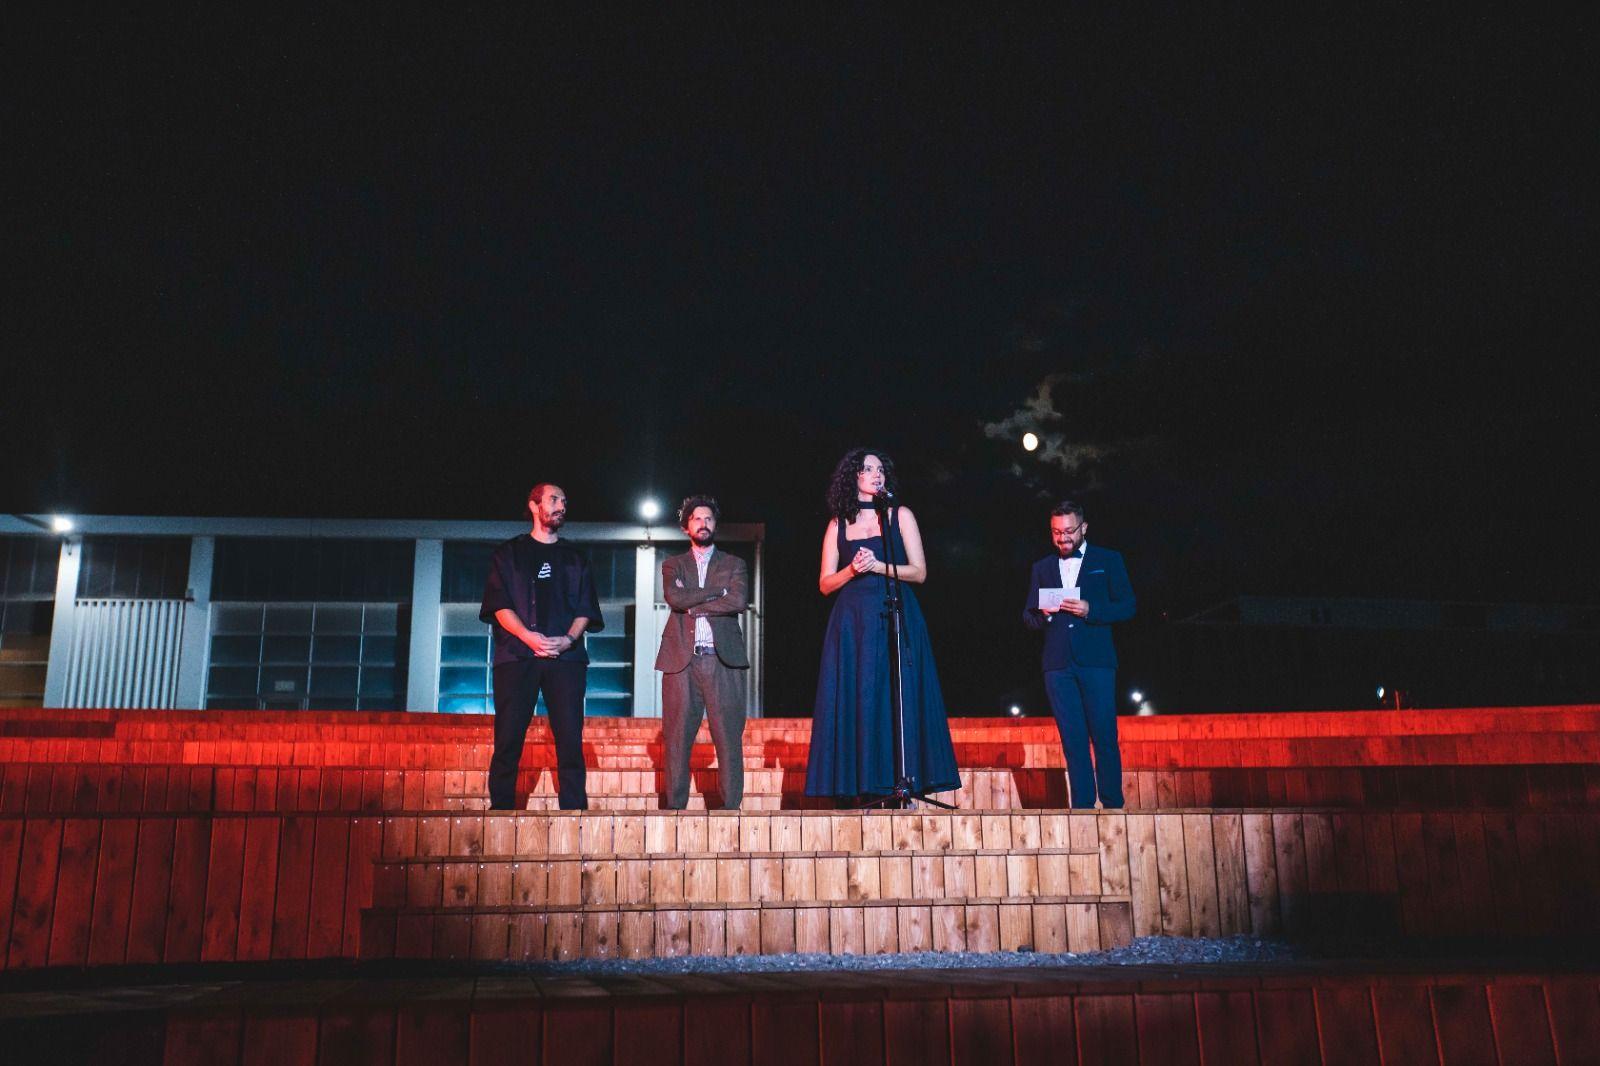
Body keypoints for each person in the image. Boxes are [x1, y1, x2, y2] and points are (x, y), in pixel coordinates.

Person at [805, 448, 959, 801]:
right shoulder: (837, 523)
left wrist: (878, 567)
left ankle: (902, 781)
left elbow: (919, 572)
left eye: (881, 469)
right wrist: (853, 570)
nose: (877, 475)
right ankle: (861, 785)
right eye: (868, 469)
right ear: (853, 477)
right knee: (861, 696)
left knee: (897, 695)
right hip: (852, 623)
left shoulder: (899, 516)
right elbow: (825, 583)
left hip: (896, 614)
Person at [480, 483, 603, 810]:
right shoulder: (508, 554)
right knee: (508, 737)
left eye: (564, 500)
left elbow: (586, 609)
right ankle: (502, 808)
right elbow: (499, 606)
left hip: (566, 660)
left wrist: (567, 640)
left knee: (570, 739)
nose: (562, 505)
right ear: (534, 505)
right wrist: (528, 636)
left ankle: (575, 809)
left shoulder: (576, 558)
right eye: (554, 499)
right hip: (518, 656)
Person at [1023, 499, 1136, 809]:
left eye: (1069, 531)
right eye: (1057, 532)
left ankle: (1113, 803)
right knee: (1073, 740)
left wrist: (1092, 610)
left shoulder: (1108, 560)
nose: (1063, 538)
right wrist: (1043, 613)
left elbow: (1128, 605)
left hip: (1097, 662)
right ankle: (1082, 807)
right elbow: (1029, 617)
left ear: (1083, 528)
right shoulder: (1042, 568)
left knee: (1103, 734)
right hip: (1057, 666)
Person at [654, 495, 750, 810]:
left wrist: (694, 601)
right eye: (697, 518)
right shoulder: (672, 565)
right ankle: (675, 810)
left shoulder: (735, 563)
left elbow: (737, 602)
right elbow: (675, 599)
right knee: (678, 742)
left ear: (715, 525)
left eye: (709, 518)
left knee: (728, 739)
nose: (703, 523)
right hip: (682, 660)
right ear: (686, 527)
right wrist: (715, 592)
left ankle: (731, 809)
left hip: (723, 661)